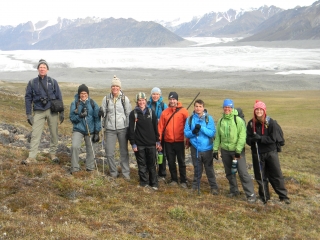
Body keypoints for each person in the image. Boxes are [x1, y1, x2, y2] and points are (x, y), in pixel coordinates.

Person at [246, 100, 290, 204]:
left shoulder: (271, 123)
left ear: (264, 110)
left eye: (261, 109)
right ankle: (264, 197)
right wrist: (252, 140)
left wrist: (260, 138)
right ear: (254, 111)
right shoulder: (251, 123)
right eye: (257, 109)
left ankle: (283, 197)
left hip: (271, 153)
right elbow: (247, 139)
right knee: (260, 176)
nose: (259, 111)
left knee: (276, 175)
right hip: (257, 153)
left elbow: (273, 139)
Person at [213, 99, 256, 203]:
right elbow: (217, 136)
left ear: (232, 108)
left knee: (242, 172)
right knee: (229, 172)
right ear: (223, 108)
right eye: (225, 107)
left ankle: (250, 194)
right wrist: (215, 149)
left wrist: (238, 150)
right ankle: (234, 190)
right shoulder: (221, 121)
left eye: (229, 107)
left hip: (237, 151)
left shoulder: (238, 120)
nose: (227, 109)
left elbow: (242, 136)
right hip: (225, 151)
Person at [23, 59, 64, 164]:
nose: (42, 69)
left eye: (44, 67)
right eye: (40, 67)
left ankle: (53, 153)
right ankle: (32, 157)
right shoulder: (32, 82)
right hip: (38, 110)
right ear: (37, 69)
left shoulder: (53, 82)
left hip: (52, 110)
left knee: (54, 133)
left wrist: (62, 112)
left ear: (47, 69)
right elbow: (28, 98)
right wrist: (28, 114)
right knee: (35, 134)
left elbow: (59, 97)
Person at [99, 76, 132, 180]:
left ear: (120, 87)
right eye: (113, 86)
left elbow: (128, 114)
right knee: (109, 152)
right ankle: (114, 172)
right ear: (111, 87)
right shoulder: (106, 98)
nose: (115, 88)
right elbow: (103, 113)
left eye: (117, 86)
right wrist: (101, 113)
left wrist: (128, 128)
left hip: (123, 128)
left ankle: (126, 174)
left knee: (124, 152)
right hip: (110, 129)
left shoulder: (124, 99)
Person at [184, 99, 219, 195]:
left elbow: (212, 133)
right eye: (196, 106)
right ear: (194, 107)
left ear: (203, 108)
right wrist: (193, 132)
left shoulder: (209, 119)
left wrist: (202, 128)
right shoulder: (190, 119)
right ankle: (195, 186)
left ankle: (214, 187)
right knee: (197, 168)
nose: (198, 108)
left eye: (200, 106)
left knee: (209, 169)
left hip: (207, 148)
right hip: (195, 148)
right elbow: (186, 133)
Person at [128, 92, 161, 190]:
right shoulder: (133, 114)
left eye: (143, 100)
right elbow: (131, 130)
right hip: (139, 144)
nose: (141, 102)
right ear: (137, 102)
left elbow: (155, 127)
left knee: (152, 164)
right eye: (139, 100)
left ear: (146, 101)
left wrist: (157, 141)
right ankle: (144, 182)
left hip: (151, 143)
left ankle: (154, 183)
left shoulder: (151, 112)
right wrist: (133, 143)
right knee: (141, 164)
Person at [158, 92, 189, 188]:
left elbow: (188, 127)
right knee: (171, 161)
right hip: (168, 141)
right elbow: (160, 128)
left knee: (181, 161)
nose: (172, 101)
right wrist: (159, 141)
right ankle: (174, 179)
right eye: (170, 99)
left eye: (174, 99)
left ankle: (183, 180)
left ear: (177, 100)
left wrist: (187, 140)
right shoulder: (165, 112)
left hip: (179, 141)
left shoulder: (184, 112)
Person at [69, 84, 101, 173]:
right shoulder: (74, 103)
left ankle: (90, 168)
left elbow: (97, 118)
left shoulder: (93, 103)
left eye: (85, 93)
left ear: (88, 94)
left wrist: (97, 132)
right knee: (75, 146)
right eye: (81, 93)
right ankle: (75, 168)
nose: (83, 95)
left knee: (91, 149)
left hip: (90, 130)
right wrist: (80, 116)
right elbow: (72, 118)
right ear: (79, 94)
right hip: (78, 129)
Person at [147, 87, 168, 181]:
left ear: (160, 95)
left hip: (161, 133)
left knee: (161, 153)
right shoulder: (147, 105)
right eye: (153, 94)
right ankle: (151, 172)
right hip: (150, 133)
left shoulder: (164, 106)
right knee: (151, 153)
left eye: (157, 94)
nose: (155, 96)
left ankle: (162, 174)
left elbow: (167, 120)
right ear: (151, 95)